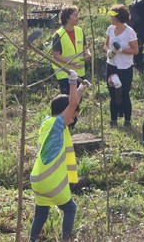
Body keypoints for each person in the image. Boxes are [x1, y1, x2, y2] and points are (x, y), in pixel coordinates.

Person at [29, 70, 89, 242]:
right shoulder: (57, 125)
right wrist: (72, 81)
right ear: (65, 112)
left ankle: (31, 240)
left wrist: (81, 87)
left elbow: (72, 104)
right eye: (72, 116)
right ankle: (66, 239)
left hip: (38, 180)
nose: (72, 120)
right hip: (52, 181)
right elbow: (71, 105)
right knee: (70, 209)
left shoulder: (48, 123)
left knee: (41, 213)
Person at [104, 4, 138, 127]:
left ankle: (127, 120)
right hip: (111, 65)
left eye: (113, 16)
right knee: (112, 92)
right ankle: (113, 119)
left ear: (119, 17)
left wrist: (121, 51)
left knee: (124, 93)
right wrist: (109, 51)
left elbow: (136, 50)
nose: (111, 18)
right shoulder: (110, 29)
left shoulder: (130, 32)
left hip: (125, 67)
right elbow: (106, 44)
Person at [51, 5, 92, 95]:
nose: (78, 17)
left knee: (78, 99)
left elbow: (84, 47)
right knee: (68, 100)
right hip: (65, 73)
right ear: (67, 18)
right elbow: (56, 54)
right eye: (75, 15)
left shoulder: (79, 31)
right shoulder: (58, 35)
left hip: (79, 72)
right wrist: (70, 62)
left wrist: (88, 54)